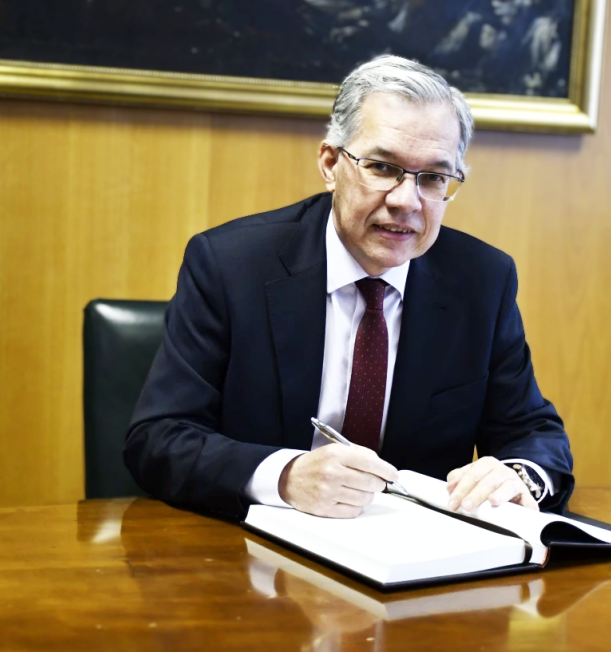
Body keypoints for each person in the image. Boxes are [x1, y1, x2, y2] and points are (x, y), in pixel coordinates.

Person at [124, 55, 573, 521]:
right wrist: (285, 477)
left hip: (417, 552)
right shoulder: (231, 265)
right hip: (253, 545)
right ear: (330, 164)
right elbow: (159, 438)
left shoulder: (481, 280)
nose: (406, 201)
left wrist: (520, 476)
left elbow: (532, 432)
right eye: (382, 167)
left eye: (434, 178)